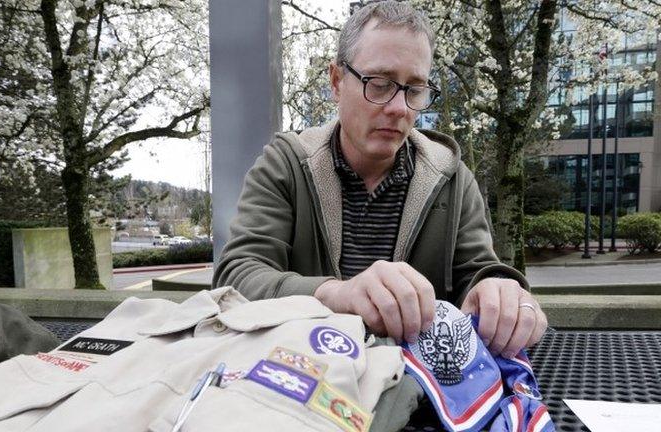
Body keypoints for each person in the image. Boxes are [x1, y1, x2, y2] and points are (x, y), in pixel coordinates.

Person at [213, 1, 547, 360]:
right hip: (298, 378)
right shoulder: (285, 165)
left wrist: (499, 292)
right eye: (380, 84)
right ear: (337, 82)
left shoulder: (452, 178)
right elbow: (237, 276)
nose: (400, 108)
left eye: (414, 89)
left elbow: (476, 272)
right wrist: (337, 295)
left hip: (423, 397)